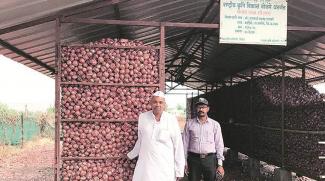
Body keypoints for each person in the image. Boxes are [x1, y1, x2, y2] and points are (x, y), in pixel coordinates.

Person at [127, 91, 185, 181]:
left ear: (164, 104)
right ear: (151, 103)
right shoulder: (143, 117)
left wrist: (179, 170)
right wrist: (131, 155)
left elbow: (178, 145)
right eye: (155, 102)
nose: (158, 104)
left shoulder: (171, 119)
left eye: (160, 102)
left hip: (165, 167)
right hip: (146, 167)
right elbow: (141, 140)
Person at [183, 97, 225, 181]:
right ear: (196, 109)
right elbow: (184, 144)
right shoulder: (189, 124)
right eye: (199, 107)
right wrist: (184, 161)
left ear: (208, 109)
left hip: (209, 160)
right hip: (193, 159)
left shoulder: (215, 125)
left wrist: (220, 165)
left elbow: (219, 145)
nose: (201, 109)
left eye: (203, 107)